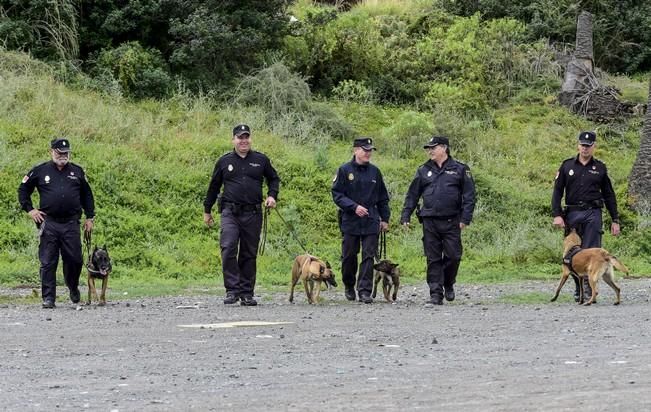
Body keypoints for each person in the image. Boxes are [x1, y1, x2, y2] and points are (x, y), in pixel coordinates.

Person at [203, 124, 280, 306]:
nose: (244, 141)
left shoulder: (261, 160)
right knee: (228, 247)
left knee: (248, 253)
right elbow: (213, 187)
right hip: (230, 212)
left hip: (253, 212)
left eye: (246, 137)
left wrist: (272, 195)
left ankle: (246, 292)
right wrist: (207, 210)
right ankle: (232, 290)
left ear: (250, 139)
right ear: (234, 140)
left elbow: (274, 179)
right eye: (240, 137)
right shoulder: (224, 161)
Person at [18, 138, 95, 308]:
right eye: (60, 152)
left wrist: (90, 217)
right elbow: (23, 189)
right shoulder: (39, 170)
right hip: (49, 223)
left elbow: (87, 195)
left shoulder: (77, 171)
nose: (63, 156)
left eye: (66, 153)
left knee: (74, 260)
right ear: (52, 151)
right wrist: (30, 210)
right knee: (48, 262)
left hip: (71, 224)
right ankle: (48, 298)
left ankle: (73, 287)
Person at [400, 136, 475, 305]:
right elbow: (412, 195)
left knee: (453, 256)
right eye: (428, 148)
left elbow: (469, 196)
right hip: (430, 221)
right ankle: (435, 293)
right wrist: (406, 215)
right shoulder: (423, 170)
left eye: (433, 147)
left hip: (452, 221)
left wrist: (465, 218)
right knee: (433, 258)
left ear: (444, 148)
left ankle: (448, 283)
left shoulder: (460, 169)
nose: (430, 151)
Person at [552, 130, 620, 301]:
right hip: (572, 214)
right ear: (578, 145)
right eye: (582, 145)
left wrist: (615, 219)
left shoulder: (600, 168)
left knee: (591, 253)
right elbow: (558, 191)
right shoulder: (567, 166)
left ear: (594, 147)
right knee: (572, 255)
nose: (585, 149)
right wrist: (557, 214)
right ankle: (578, 290)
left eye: (588, 146)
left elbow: (609, 194)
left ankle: (589, 290)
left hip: (592, 213)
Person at [332, 137, 390, 304]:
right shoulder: (344, 170)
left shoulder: (375, 172)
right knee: (349, 255)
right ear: (355, 150)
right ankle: (349, 284)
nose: (368, 153)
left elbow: (382, 198)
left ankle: (364, 290)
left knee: (368, 256)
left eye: (370, 150)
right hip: (350, 218)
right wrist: (353, 206)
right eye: (365, 150)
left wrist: (385, 218)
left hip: (371, 219)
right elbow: (337, 194)